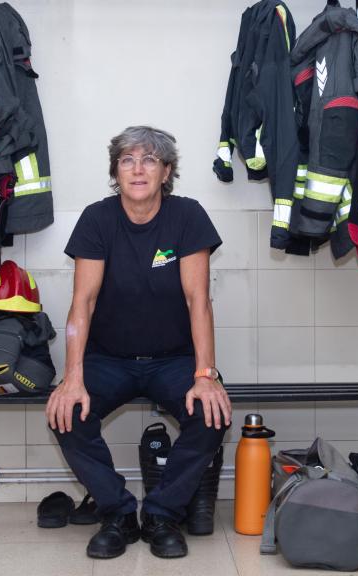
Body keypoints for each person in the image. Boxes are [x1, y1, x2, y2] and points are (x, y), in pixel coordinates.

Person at [46, 126, 231, 560]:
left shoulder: (187, 216)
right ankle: (118, 513)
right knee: (67, 411)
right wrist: (72, 377)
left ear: (166, 171)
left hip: (173, 360)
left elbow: (197, 300)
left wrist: (206, 376)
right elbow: (82, 303)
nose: (138, 169)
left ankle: (162, 514)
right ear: (116, 172)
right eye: (127, 160)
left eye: (149, 160)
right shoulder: (97, 218)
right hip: (110, 359)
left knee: (212, 416)